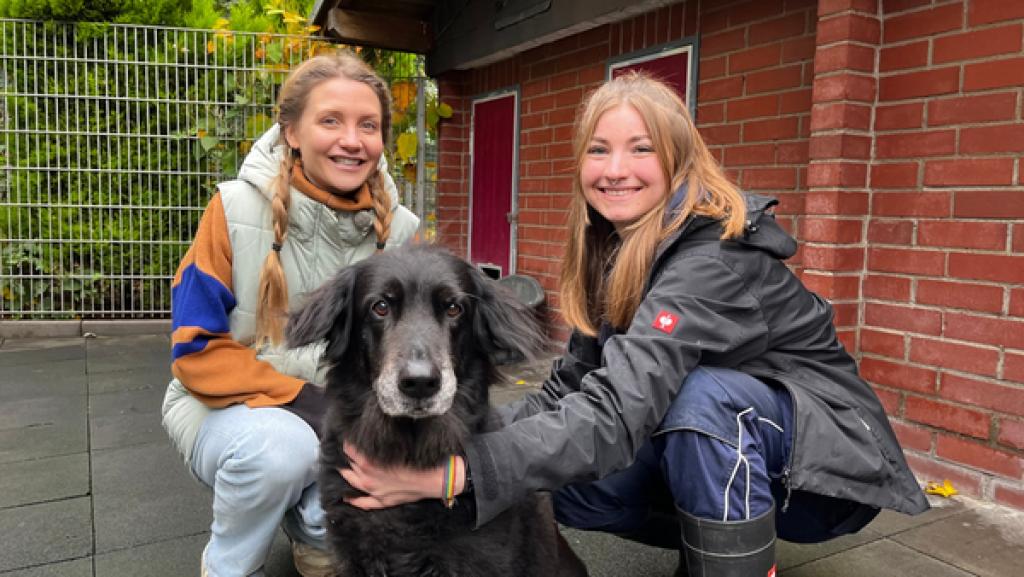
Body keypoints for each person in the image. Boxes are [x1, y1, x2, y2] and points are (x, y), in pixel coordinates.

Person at [338, 73, 929, 577]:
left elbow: (617, 413)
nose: (615, 169)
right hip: (729, 454)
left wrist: (456, 475)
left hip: (823, 476)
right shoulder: (616, 255)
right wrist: (447, 447)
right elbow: (564, 392)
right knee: (544, 465)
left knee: (701, 402)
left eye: (640, 149)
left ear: (679, 162)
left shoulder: (714, 260)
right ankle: (701, 533)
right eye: (598, 150)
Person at [161, 49, 420, 577]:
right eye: (331, 120)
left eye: (367, 125)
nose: (352, 140)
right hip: (224, 408)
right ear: (293, 132)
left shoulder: (402, 233)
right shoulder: (235, 209)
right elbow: (193, 350)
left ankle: (313, 528)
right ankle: (231, 565)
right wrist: (306, 400)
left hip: (336, 415)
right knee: (282, 450)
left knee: (391, 453)